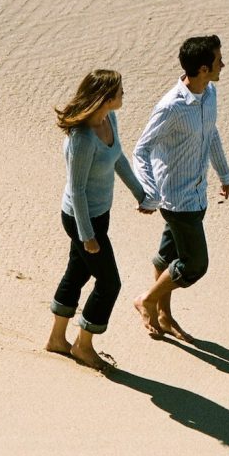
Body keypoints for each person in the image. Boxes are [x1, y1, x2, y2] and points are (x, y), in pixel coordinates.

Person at [46, 69, 155, 370]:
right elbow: (78, 190)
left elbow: (117, 156)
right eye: (120, 91)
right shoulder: (81, 139)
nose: (124, 95)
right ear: (105, 98)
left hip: (98, 215)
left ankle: (57, 339)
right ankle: (83, 346)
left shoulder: (109, 119)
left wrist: (140, 194)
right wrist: (87, 236)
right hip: (81, 219)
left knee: (77, 273)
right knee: (109, 283)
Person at [132, 35, 229, 342]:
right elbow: (141, 149)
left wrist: (224, 174)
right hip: (176, 198)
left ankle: (164, 315)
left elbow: (210, 133)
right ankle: (146, 300)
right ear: (203, 68)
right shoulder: (171, 107)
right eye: (218, 61)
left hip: (198, 191)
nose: (223, 64)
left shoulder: (209, 93)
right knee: (195, 265)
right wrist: (149, 193)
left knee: (168, 256)